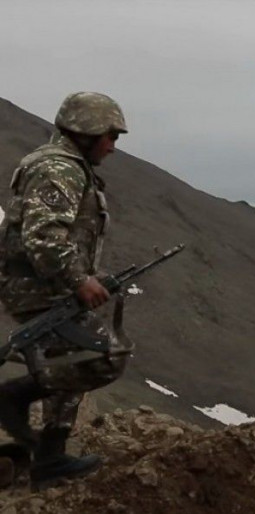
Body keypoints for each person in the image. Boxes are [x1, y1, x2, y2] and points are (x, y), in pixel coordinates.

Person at [0, 92, 130, 486]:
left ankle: (49, 458)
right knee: (104, 358)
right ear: (87, 131)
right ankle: (12, 397)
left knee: (70, 359)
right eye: (110, 136)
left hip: (50, 285)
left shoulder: (70, 167)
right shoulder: (58, 169)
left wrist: (88, 276)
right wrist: (79, 279)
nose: (112, 146)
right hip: (38, 288)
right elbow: (43, 236)